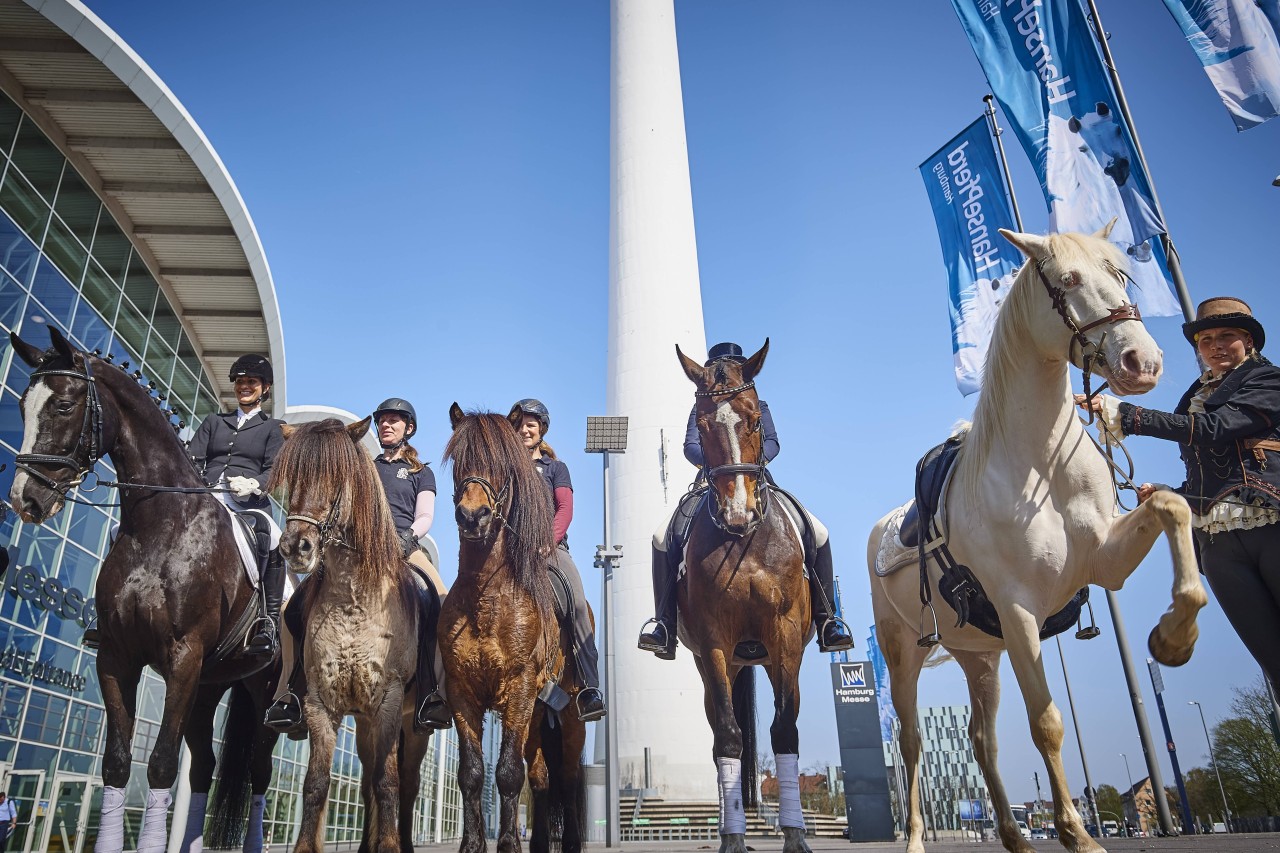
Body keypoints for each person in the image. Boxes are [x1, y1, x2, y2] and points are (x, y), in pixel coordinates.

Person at [1081, 297, 1280, 689]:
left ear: (1249, 342)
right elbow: (1208, 474)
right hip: (1216, 547)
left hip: (1271, 523)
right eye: (1206, 340)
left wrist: (1128, 416)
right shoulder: (1193, 397)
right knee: (1273, 663)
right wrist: (1171, 493)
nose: (1216, 346)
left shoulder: (1269, 380)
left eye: (1228, 336)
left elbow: (1215, 429)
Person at [636, 341, 854, 659]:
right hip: (711, 482)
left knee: (818, 532)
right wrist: (719, 466)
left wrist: (748, 464)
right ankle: (664, 624)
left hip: (756, 480)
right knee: (661, 537)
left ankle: (827, 620)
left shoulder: (758, 405)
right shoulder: (702, 408)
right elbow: (690, 447)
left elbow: (773, 443)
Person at [266, 397, 451, 734]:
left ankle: (433, 693)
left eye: (394, 420)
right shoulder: (365, 466)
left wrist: (409, 536)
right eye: (382, 421)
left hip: (404, 547)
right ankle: (289, 692)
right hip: (357, 549)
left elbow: (425, 515)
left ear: (408, 428)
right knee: (292, 608)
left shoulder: (419, 472)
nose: (386, 425)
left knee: (440, 602)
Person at [82, 354, 286, 654]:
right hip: (204, 497)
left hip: (245, 504)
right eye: (240, 382)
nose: (245, 387)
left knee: (272, 537)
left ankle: (267, 622)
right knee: (119, 532)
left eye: (251, 382)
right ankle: (102, 616)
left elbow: (276, 469)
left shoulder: (274, 428)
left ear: (264, 388)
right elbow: (190, 459)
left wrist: (256, 484)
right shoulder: (215, 422)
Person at [509, 398, 606, 722]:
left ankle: (590, 687)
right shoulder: (506, 467)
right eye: (521, 423)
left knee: (578, 605)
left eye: (531, 424)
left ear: (542, 429)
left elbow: (565, 509)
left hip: (551, 550)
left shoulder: (555, 468)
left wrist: (546, 542)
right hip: (510, 550)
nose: (525, 428)